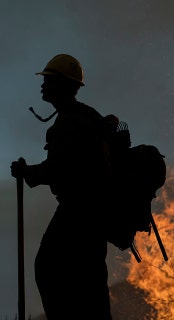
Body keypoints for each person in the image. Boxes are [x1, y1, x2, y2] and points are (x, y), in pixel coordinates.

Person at [10, 54, 113, 319]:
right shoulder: (83, 116)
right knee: (91, 285)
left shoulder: (70, 123)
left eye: (49, 80)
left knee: (47, 269)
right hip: (94, 214)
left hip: (77, 212)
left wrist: (25, 172)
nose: (43, 86)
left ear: (64, 85)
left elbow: (57, 169)